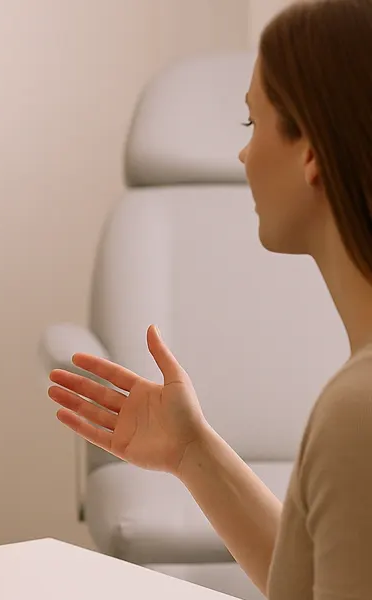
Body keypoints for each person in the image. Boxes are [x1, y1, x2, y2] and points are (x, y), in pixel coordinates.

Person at [47, 1, 372, 599]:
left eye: (253, 125)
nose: (243, 156)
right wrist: (190, 450)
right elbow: (311, 584)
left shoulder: (358, 413)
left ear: (311, 153)